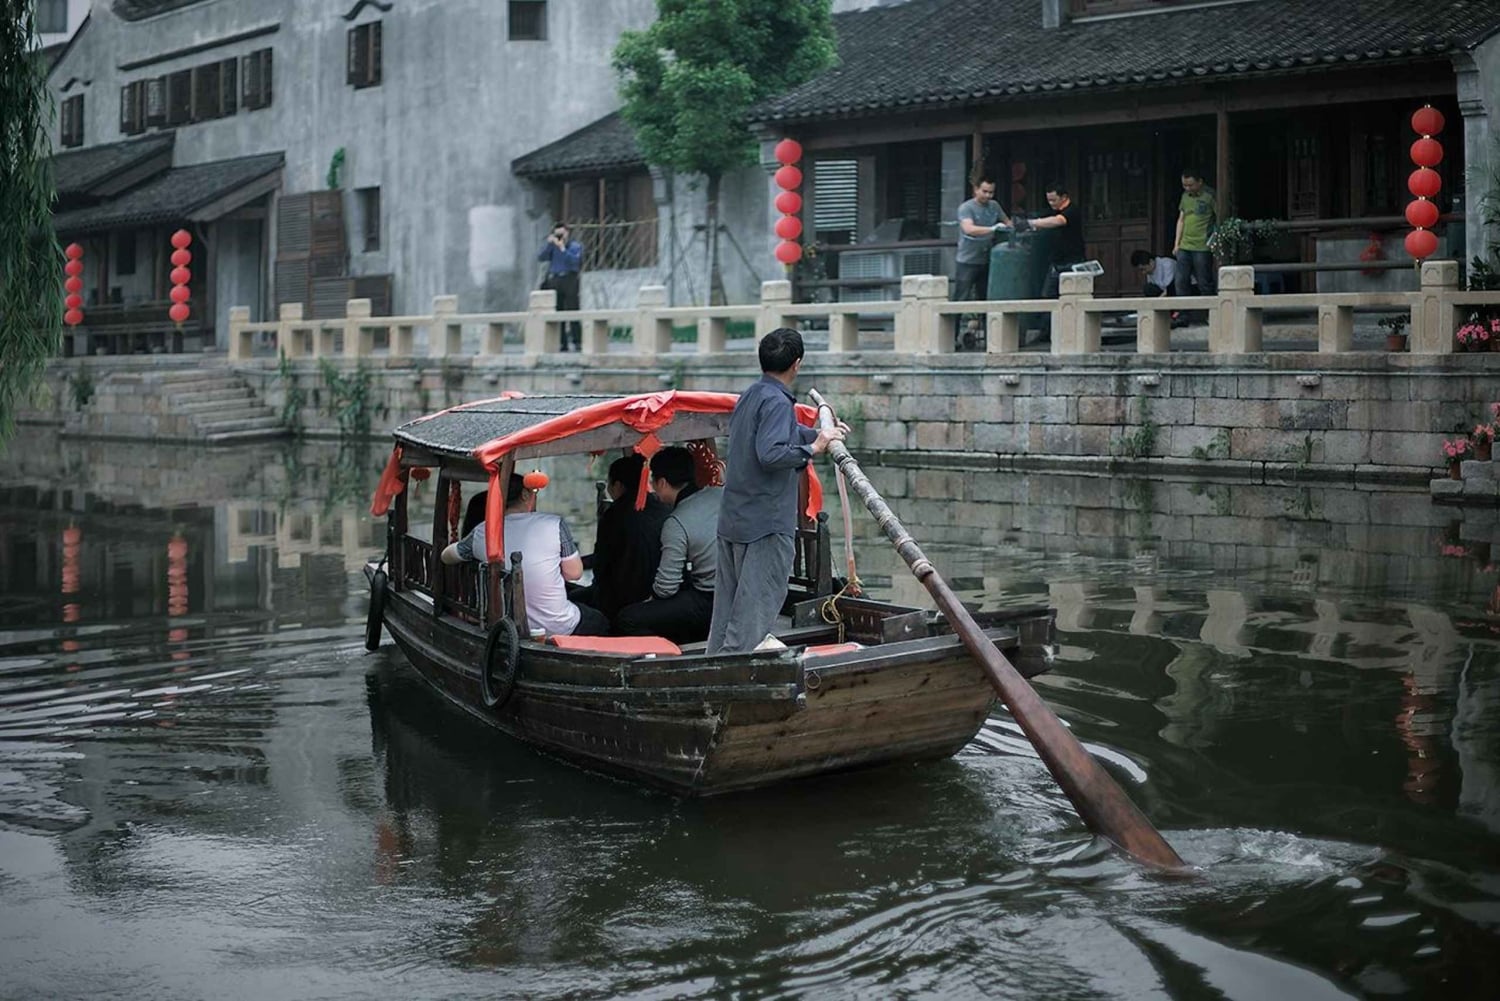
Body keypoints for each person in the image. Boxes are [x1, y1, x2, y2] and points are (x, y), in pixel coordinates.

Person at [707, 328, 846, 654]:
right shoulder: (778, 402)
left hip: (735, 521)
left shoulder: (751, 396)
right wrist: (813, 448)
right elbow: (770, 453)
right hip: (764, 526)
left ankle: (711, 676)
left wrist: (817, 433)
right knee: (751, 620)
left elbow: (777, 433)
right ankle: (728, 693)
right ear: (796, 364)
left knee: (726, 616)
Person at [440, 472, 608, 636]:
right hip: (558, 627)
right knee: (600, 620)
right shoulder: (555, 524)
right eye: (533, 493)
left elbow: (446, 556)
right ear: (525, 495)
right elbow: (574, 573)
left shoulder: (481, 531)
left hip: (506, 626)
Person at [615, 447, 722, 643]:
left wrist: (648, 600)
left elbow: (666, 588)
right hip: (739, 591)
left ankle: (667, 656)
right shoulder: (720, 495)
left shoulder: (676, 522)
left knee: (628, 618)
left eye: (653, 482)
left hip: (711, 600)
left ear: (662, 482)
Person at [581, 454, 669, 623]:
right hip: (658, 592)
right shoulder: (663, 508)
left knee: (574, 597)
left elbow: (601, 566)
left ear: (618, 485)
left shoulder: (615, 515)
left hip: (621, 598)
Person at [1173, 168, 1218, 319]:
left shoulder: (1210, 196)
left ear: (1200, 182)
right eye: (1184, 185)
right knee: (1180, 281)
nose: (1187, 188)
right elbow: (1181, 219)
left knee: (1204, 281)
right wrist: (1176, 244)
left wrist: (1214, 240)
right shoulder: (1185, 196)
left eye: (1190, 185)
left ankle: (1211, 315)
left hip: (1202, 246)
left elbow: (1220, 217)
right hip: (1184, 246)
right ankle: (1183, 315)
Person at [1031, 181, 1086, 300]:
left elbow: (1058, 221)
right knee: (1049, 295)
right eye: (1049, 200)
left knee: (1072, 296)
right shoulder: (1053, 211)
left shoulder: (1072, 210)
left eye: (1054, 200)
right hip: (1057, 262)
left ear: (1064, 197)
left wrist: (1031, 223)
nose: (1051, 203)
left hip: (1072, 261)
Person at [537, 222, 583, 352]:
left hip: (570, 278)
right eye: (557, 234)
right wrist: (549, 244)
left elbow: (575, 262)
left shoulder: (574, 246)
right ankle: (562, 342)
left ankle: (577, 341)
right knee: (558, 311)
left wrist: (563, 249)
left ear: (567, 233)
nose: (560, 237)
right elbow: (541, 257)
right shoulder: (553, 247)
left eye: (562, 234)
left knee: (573, 310)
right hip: (555, 278)